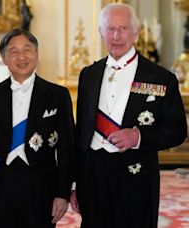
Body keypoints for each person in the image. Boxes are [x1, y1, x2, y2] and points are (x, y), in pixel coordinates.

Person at [71, 3, 187, 228]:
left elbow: (177, 130)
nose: (116, 36)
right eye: (110, 29)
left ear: (136, 33)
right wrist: (75, 183)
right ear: (101, 33)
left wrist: (139, 137)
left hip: (137, 178)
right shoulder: (88, 75)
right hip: (93, 177)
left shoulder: (161, 78)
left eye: (123, 29)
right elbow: (81, 135)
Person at [0, 29, 75, 228]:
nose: (22, 57)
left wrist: (63, 193)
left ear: (37, 54)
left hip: (42, 186)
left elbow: (68, 147)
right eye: (14, 52)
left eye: (27, 50)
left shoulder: (57, 95)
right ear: (4, 58)